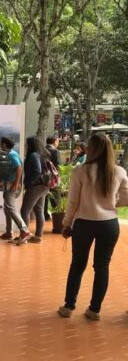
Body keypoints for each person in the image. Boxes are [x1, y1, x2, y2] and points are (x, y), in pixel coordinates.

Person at [58, 133, 128, 320]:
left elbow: (72, 202)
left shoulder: (80, 171)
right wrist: (110, 203)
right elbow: (126, 199)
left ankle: (68, 307)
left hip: (84, 223)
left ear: (91, 148)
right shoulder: (119, 171)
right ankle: (94, 310)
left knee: (78, 265)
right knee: (102, 267)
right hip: (109, 224)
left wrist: (66, 224)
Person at [17, 136, 51, 244]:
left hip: (36, 186)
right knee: (38, 210)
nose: (26, 145)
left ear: (31, 145)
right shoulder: (43, 155)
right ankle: (38, 236)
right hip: (44, 186)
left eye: (27, 144)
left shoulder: (33, 155)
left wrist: (30, 182)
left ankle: (24, 234)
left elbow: (37, 171)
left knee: (25, 210)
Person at [0, 137, 31, 243]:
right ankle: (9, 232)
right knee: (7, 209)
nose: (0, 145)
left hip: (12, 185)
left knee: (10, 208)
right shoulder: (12, 153)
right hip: (10, 184)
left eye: (1, 143)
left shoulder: (11, 154)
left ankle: (24, 230)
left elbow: (19, 168)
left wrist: (15, 184)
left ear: (5, 145)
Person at [44, 136, 61, 220]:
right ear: (54, 141)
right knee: (55, 198)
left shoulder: (42, 150)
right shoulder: (55, 151)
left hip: (43, 178)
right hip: (53, 178)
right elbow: (58, 166)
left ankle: (45, 215)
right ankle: (57, 217)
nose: (58, 143)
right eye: (58, 141)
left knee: (45, 198)